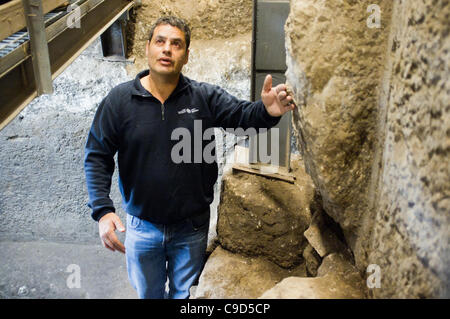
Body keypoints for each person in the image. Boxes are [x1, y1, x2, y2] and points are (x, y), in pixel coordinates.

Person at [84, 16, 296, 299]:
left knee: (185, 296)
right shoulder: (119, 101)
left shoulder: (203, 97)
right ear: (147, 48)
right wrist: (103, 210)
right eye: (160, 41)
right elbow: (97, 155)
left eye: (176, 44)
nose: (167, 49)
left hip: (190, 229)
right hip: (142, 228)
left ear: (186, 55)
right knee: (148, 294)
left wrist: (268, 111)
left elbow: (242, 118)